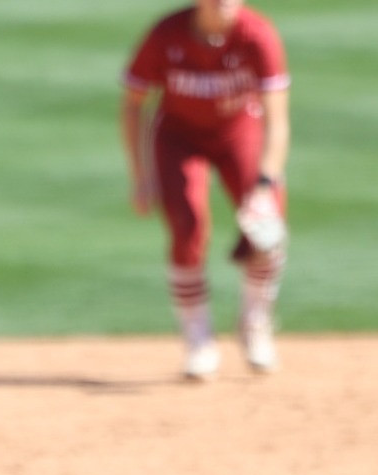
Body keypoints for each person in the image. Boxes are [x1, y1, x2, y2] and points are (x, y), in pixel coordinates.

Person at [121, 0, 292, 379]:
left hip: (239, 131)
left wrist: (266, 184)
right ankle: (198, 339)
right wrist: (141, 174)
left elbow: (277, 120)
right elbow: (134, 102)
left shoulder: (257, 35)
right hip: (178, 137)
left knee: (268, 226)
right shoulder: (167, 34)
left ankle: (255, 323)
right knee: (188, 226)